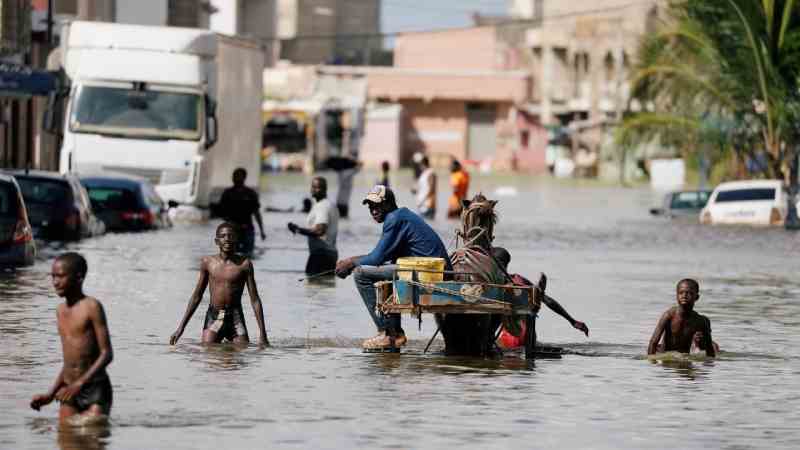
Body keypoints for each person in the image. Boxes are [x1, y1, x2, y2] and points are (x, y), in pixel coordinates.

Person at [335, 185, 451, 351]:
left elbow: (376, 258)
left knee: (361, 274)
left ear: (389, 203)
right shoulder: (401, 216)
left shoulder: (394, 219)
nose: (373, 211)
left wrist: (351, 262)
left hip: (428, 273)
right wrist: (352, 261)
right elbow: (382, 258)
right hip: (429, 270)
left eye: (377, 206)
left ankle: (387, 332)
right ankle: (395, 332)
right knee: (383, 270)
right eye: (370, 207)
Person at [30, 253, 114, 425]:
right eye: (53, 276)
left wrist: (81, 383)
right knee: (66, 438)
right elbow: (70, 363)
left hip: (94, 388)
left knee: (92, 434)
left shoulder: (92, 307)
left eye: (60, 276)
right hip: (69, 390)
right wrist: (50, 395)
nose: (55, 282)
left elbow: (107, 354)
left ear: (79, 278)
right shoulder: (60, 311)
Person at [170, 223, 269, 346]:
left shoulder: (244, 265)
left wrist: (263, 334)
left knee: (242, 354)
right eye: (223, 236)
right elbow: (196, 296)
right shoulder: (208, 262)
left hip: (235, 318)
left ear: (236, 239)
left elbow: (255, 300)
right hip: (214, 317)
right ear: (217, 241)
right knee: (209, 351)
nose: (227, 239)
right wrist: (181, 328)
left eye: (230, 235)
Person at [491, 247, 589, 350]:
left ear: (494, 263)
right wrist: (572, 321)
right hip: (528, 335)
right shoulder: (519, 280)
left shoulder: (492, 283)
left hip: (509, 337)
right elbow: (548, 301)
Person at [647, 279, 716, 357]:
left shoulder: (700, 321)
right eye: (681, 293)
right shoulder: (669, 315)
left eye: (689, 293)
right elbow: (653, 342)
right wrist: (651, 364)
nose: (684, 295)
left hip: (684, 358)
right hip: (666, 360)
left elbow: (710, 349)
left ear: (696, 297)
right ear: (676, 296)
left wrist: (709, 366)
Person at [288, 177, 339, 276]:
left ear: (324, 189)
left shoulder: (322, 206)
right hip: (330, 254)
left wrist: (298, 229)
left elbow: (319, 231)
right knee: (323, 288)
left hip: (321, 255)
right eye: (312, 187)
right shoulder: (329, 204)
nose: (313, 189)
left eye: (317, 187)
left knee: (313, 287)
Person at [218, 168, 266, 255]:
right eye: (234, 176)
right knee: (231, 256)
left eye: (238, 176)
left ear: (244, 178)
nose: (235, 178)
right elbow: (220, 212)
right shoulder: (227, 193)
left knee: (248, 255)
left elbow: (257, 213)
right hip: (232, 230)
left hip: (248, 229)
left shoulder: (251, 193)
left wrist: (262, 230)